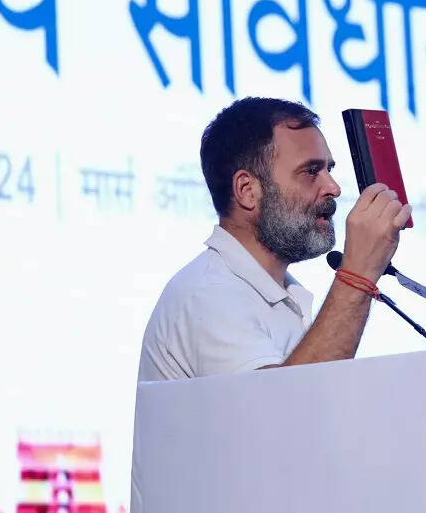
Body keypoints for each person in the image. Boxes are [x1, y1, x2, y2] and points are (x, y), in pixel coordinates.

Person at [137, 97, 411, 381]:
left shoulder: (280, 290)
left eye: (329, 170)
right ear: (247, 191)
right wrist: (358, 274)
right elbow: (283, 404)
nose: (334, 188)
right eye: (311, 171)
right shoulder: (208, 295)